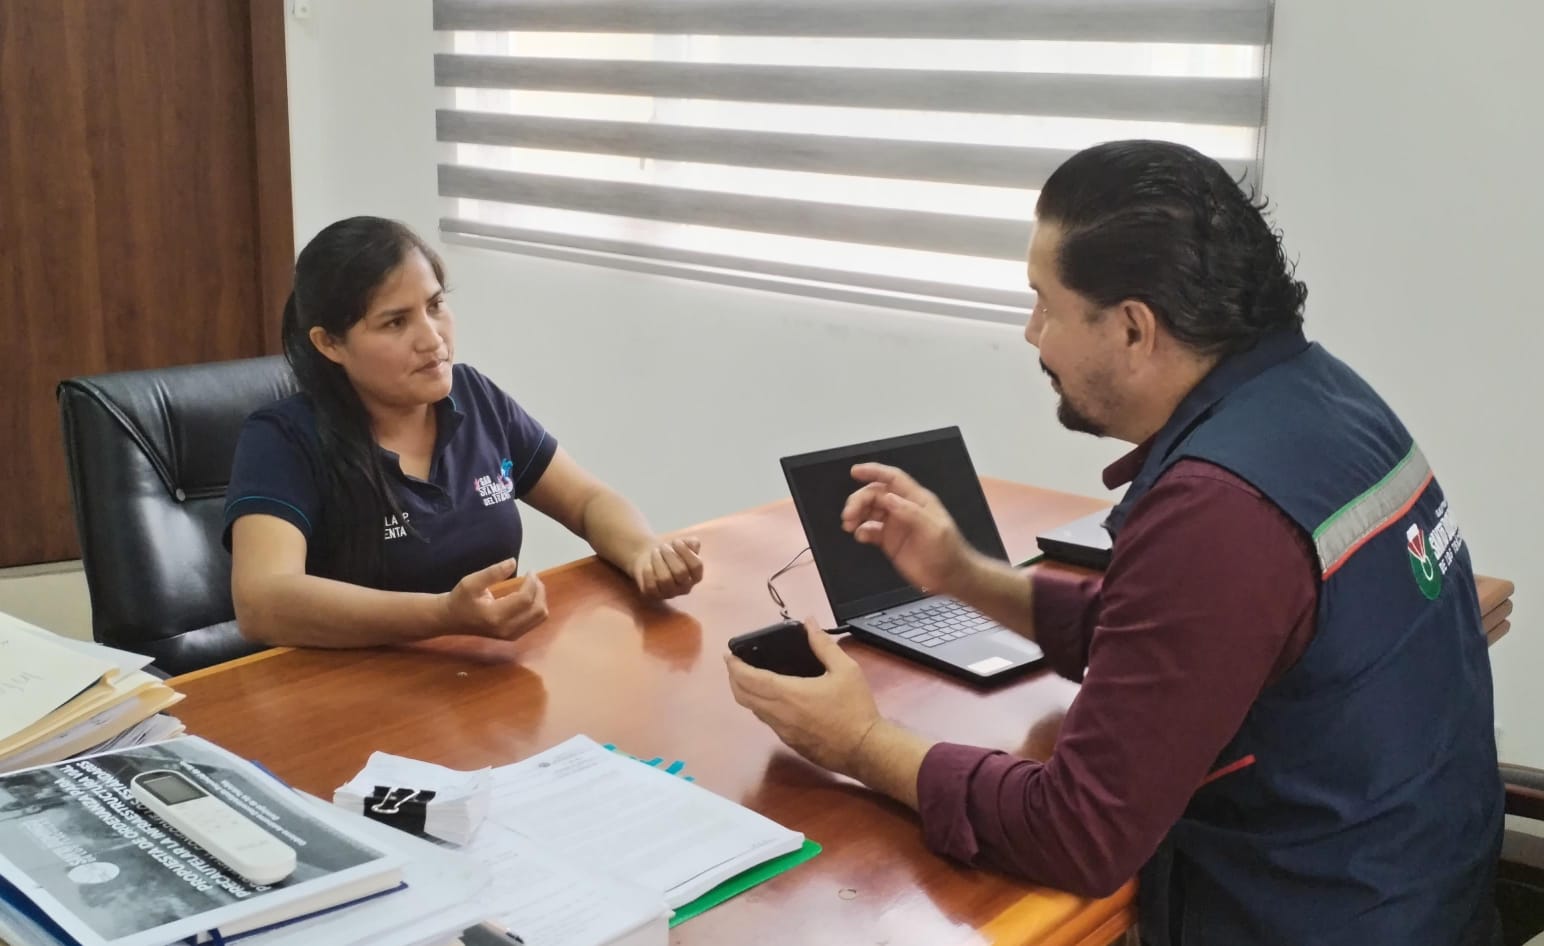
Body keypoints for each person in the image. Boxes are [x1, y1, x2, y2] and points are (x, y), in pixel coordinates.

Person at [726, 141, 1501, 945]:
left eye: (1045, 304)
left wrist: (860, 741)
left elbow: (1079, 832)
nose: (1032, 334)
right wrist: (963, 573)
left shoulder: (1219, 511)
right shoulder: (1321, 398)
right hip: (1424, 896)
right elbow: (1176, 636)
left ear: (1133, 328)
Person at [226, 216, 703, 648]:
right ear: (330, 343)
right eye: (396, 322)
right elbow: (262, 602)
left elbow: (586, 501)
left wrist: (643, 552)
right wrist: (440, 616)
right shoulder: (282, 438)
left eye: (435, 305)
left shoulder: (475, 397)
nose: (432, 338)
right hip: (341, 692)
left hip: (483, 673)